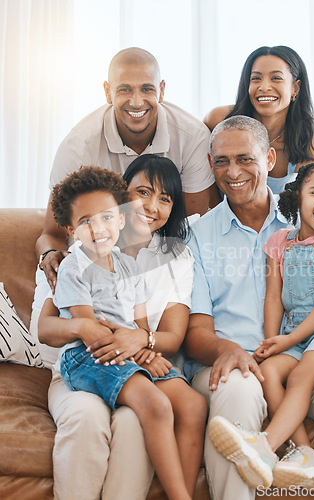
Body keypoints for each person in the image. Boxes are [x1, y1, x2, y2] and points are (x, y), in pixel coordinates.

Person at [184, 115, 314, 500]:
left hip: (305, 355)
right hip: (233, 361)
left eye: (245, 158)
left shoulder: (310, 211)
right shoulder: (197, 236)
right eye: (222, 161)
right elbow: (194, 334)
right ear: (210, 166)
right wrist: (232, 352)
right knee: (235, 388)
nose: (233, 171)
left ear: (270, 159)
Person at [38, 155, 206, 500]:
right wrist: (124, 344)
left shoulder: (164, 259)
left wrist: (144, 347)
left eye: (164, 197)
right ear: (123, 197)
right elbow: (70, 326)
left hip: (133, 358)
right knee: (110, 415)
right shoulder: (73, 260)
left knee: (177, 409)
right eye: (142, 192)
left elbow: (164, 334)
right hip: (87, 358)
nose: (150, 205)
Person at [208, 163, 314, 489]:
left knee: (298, 378)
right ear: (297, 196)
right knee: (268, 373)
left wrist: (290, 340)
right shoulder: (280, 241)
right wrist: (273, 341)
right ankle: (308, 453)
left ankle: (265, 447)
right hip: (291, 331)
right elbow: (273, 297)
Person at [36, 46, 220, 293]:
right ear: (108, 92)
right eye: (124, 89)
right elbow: (51, 234)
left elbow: (191, 228)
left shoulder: (193, 138)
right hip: (97, 266)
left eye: (147, 88)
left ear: (162, 90)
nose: (136, 101)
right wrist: (49, 255)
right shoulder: (79, 146)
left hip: (160, 265)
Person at [203, 45, 314, 195]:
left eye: (276, 78)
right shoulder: (218, 120)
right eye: (256, 78)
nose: (264, 87)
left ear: (295, 87)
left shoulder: (309, 147)